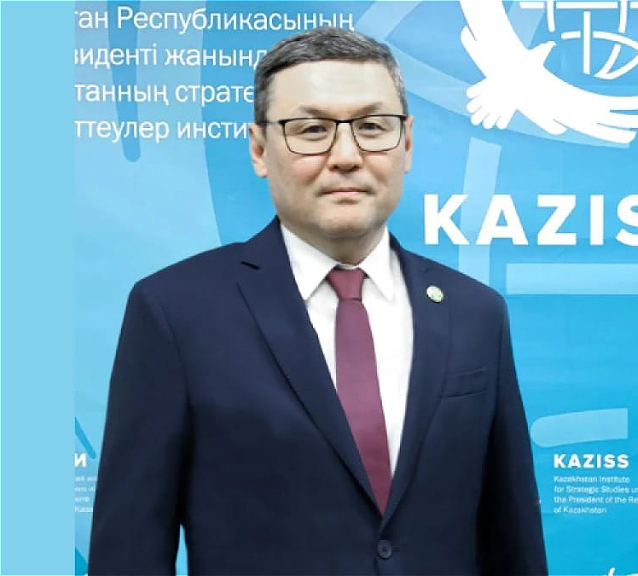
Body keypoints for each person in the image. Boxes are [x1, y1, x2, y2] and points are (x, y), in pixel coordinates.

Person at [88, 26, 548, 576]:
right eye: (311, 130)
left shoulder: (475, 312)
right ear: (259, 149)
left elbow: (512, 543)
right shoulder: (175, 312)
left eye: (372, 127)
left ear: (406, 144)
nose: (347, 156)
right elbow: (130, 552)